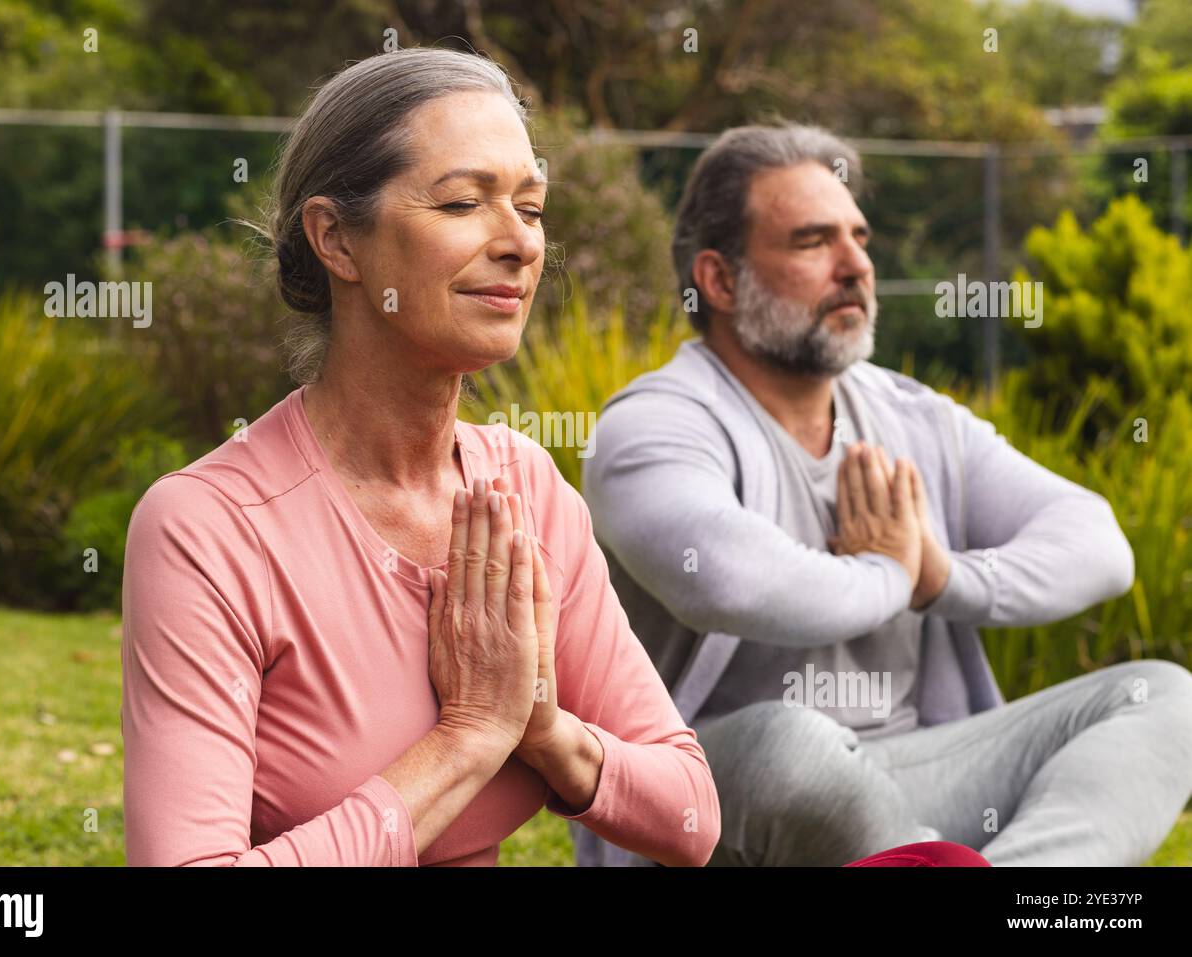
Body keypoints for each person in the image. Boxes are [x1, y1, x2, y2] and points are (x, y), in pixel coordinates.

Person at [119, 46, 721, 867]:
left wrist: (541, 726)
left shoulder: (525, 491)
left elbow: (690, 815)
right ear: (336, 239)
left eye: (532, 207)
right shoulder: (210, 528)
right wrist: (469, 736)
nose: (518, 243)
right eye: (463, 203)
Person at [577, 122, 1192, 867]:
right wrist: (891, 574)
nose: (856, 266)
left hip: (912, 773)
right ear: (720, 279)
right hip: (713, 802)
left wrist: (940, 577)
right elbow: (734, 582)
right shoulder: (651, 426)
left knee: (1166, 696)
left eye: (859, 238)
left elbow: (1099, 546)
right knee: (789, 740)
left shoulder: (912, 415)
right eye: (813, 242)